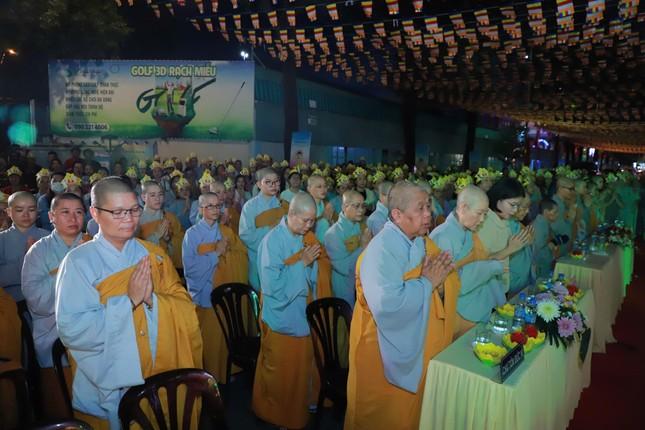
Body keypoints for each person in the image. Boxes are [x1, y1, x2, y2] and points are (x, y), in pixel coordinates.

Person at [55, 177, 202, 429]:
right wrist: (129, 301)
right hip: (111, 378)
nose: (129, 219)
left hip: (159, 366)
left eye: (134, 210)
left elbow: (184, 303)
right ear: (95, 213)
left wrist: (154, 301)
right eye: (118, 212)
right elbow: (73, 329)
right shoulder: (79, 262)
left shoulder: (154, 254)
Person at [345, 181, 455, 430]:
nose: (428, 214)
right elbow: (388, 305)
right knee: (383, 418)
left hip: (412, 343)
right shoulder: (380, 252)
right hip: (381, 350)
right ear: (396, 214)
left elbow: (438, 279)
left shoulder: (418, 241)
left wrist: (437, 285)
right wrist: (427, 283)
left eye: (429, 206)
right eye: (420, 208)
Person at [252, 192, 331, 429]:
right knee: (282, 373)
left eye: (313, 221)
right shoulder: (272, 242)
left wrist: (310, 265)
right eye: (306, 220)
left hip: (302, 312)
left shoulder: (306, 237)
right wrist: (302, 264)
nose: (309, 226)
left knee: (301, 369)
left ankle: (300, 408)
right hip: (282, 316)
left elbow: (317, 270)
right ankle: (277, 415)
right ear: (291, 214)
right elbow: (271, 286)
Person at [21, 193, 89, 419]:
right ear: (51, 216)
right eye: (65, 212)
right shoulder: (38, 251)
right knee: (62, 411)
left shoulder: (94, 245)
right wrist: (68, 269)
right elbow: (36, 300)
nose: (73, 218)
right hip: (53, 335)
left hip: (94, 338)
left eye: (78, 212)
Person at [430, 185, 513, 336]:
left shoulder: (467, 232)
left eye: (485, 214)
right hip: (457, 312)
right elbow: (454, 282)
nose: (482, 220)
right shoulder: (443, 237)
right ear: (463, 208)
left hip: (474, 307)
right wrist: (491, 267)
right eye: (479, 213)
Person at [182, 192, 248, 382]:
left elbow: (243, 256)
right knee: (209, 341)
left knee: (224, 336)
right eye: (209, 206)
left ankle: (227, 372)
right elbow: (190, 270)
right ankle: (208, 377)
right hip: (205, 293)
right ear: (201, 209)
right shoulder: (192, 234)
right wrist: (215, 254)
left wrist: (228, 255)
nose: (215, 210)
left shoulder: (226, 231)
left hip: (225, 293)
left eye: (217, 206)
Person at [477, 177, 533, 298]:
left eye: (518, 206)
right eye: (512, 205)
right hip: (484, 291)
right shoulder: (485, 223)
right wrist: (510, 249)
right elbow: (479, 263)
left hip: (499, 287)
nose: (515, 210)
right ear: (498, 199)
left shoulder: (504, 221)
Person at [239, 168, 288, 291]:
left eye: (276, 181)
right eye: (268, 182)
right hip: (258, 256)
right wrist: (269, 229)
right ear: (258, 184)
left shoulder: (283, 205)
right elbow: (245, 234)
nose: (273, 185)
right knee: (261, 290)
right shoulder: (250, 206)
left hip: (281, 255)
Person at [324, 190, 371, 307]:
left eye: (363, 206)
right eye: (356, 206)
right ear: (344, 207)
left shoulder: (363, 226)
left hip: (362, 283)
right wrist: (363, 246)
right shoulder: (333, 234)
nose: (361, 210)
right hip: (344, 286)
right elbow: (344, 267)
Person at [0, 192, 49, 302]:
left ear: (37, 211)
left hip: (45, 299)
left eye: (31, 210)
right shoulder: (2, 239)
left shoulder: (47, 237)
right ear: (9, 212)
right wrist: (27, 259)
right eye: (19, 210)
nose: (26, 215)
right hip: (13, 302)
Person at [137, 180, 185, 269]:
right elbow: (136, 251)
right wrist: (156, 236)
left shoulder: (170, 217)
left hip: (171, 268)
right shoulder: (137, 222)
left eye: (160, 194)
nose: (157, 198)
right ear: (143, 197)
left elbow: (183, 243)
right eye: (152, 195)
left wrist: (169, 240)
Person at [508, 194, 534, 296]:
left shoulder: (518, 224)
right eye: (524, 207)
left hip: (523, 278)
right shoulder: (505, 226)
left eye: (528, 207)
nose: (527, 211)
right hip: (512, 281)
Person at [532, 198, 560, 279]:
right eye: (555, 212)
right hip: (540, 266)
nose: (558, 214)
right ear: (546, 212)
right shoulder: (539, 225)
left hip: (544, 264)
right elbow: (536, 248)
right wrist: (550, 246)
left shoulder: (544, 223)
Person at [551, 177, 576, 251]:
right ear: (560, 188)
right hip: (559, 248)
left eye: (573, 189)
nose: (573, 192)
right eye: (570, 189)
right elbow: (556, 229)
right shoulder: (555, 205)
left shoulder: (563, 203)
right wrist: (570, 219)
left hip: (565, 245)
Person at [307, 174, 335, 242]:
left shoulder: (325, 204)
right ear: (309, 189)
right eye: (319, 187)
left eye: (325, 186)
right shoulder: (306, 205)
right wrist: (322, 218)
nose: (323, 189)